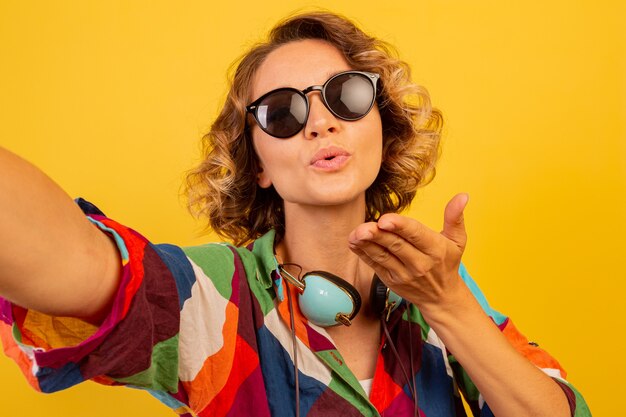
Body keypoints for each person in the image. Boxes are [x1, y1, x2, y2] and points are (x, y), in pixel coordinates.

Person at [0, 11, 590, 417]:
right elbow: (78, 266)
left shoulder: (439, 287)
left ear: (380, 125)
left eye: (346, 96)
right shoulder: (214, 295)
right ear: (256, 161)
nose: (320, 121)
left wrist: (447, 303)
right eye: (281, 112)